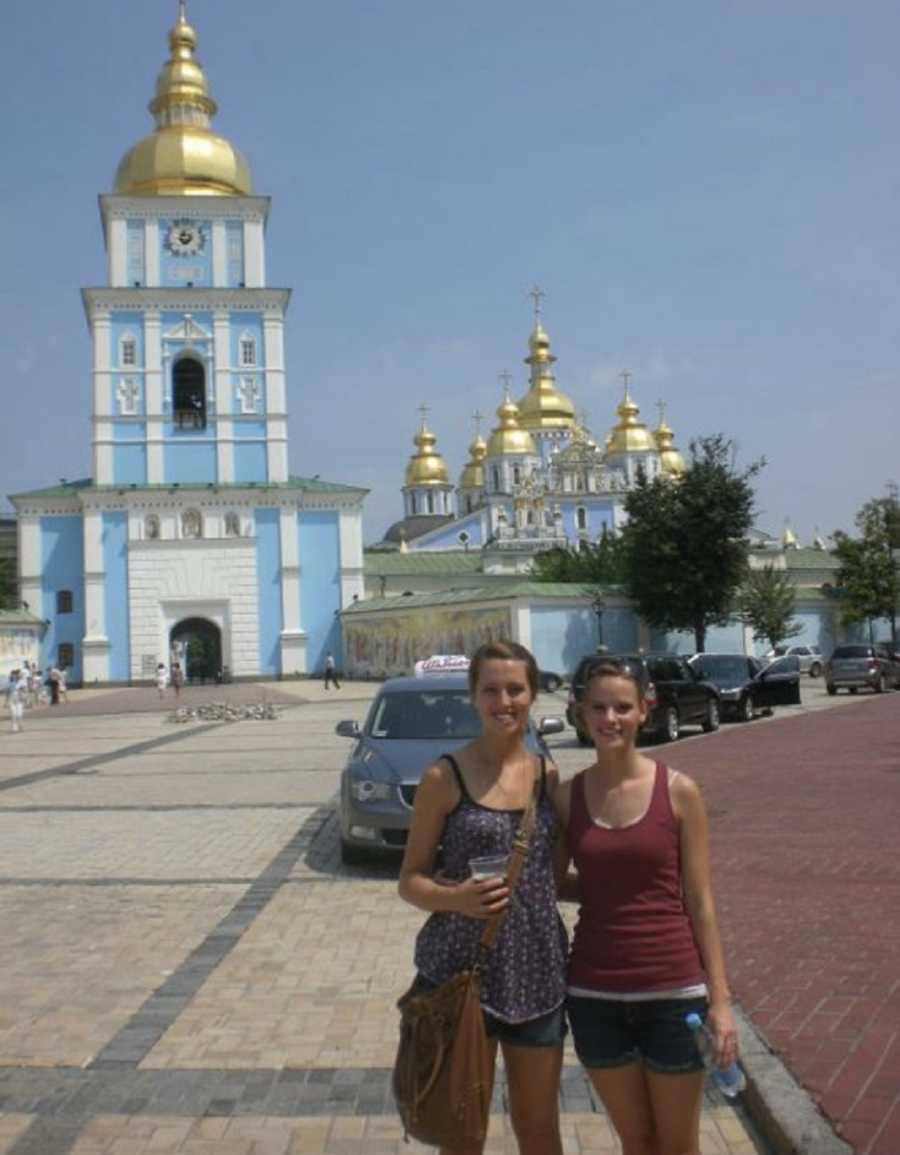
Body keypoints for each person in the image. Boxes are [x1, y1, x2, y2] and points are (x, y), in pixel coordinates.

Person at [554, 658, 739, 1155]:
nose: (609, 718)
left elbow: (699, 900)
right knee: (636, 1141)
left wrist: (720, 1002)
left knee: (677, 1144)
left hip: (674, 995)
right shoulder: (567, 797)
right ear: (579, 712)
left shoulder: (678, 791)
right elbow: (550, 882)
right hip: (594, 996)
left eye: (622, 707)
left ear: (644, 711)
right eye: (598, 707)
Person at [398, 640, 568, 1155]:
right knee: (461, 1129)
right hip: (458, 975)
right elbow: (411, 880)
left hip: (536, 974)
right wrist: (458, 900)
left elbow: (551, 877)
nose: (504, 701)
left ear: (533, 695)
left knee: (539, 1129)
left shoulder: (548, 777)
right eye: (491, 690)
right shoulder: (442, 778)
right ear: (473, 697)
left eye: (515, 689)